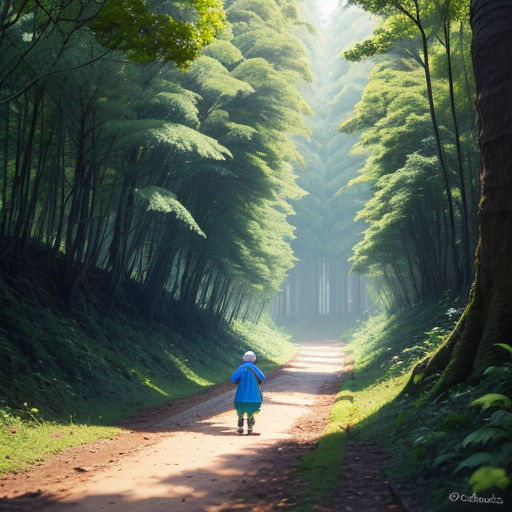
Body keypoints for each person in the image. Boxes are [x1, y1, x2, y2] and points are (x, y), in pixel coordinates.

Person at [230, 351, 265, 435]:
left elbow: (233, 379)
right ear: (254, 359)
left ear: (243, 359)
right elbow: (262, 378)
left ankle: (240, 428)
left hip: (240, 396)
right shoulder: (255, 368)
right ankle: (250, 429)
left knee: (240, 413)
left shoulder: (241, 368)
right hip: (254, 396)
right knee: (251, 413)